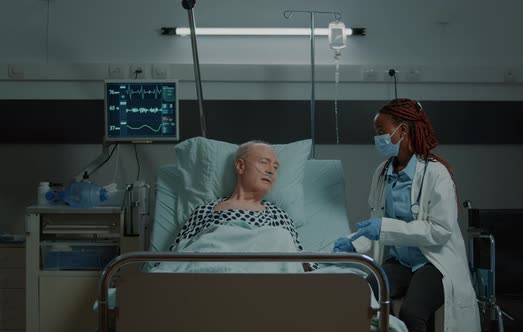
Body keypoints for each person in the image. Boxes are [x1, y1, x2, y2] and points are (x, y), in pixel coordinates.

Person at [333, 99, 480, 332]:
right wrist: (355, 242)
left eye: (381, 131)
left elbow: (440, 231)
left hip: (433, 262)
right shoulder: (382, 173)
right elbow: (376, 220)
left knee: (412, 313)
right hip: (400, 262)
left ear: (402, 130)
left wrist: (384, 227)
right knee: (365, 296)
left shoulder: (436, 173)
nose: (377, 138)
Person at [170, 140, 315, 271]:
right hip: (213, 274)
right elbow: (179, 252)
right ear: (240, 166)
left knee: (280, 236)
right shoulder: (206, 210)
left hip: (262, 278)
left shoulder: (279, 215)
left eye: (276, 167)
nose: (271, 171)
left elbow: (297, 258)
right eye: (264, 162)